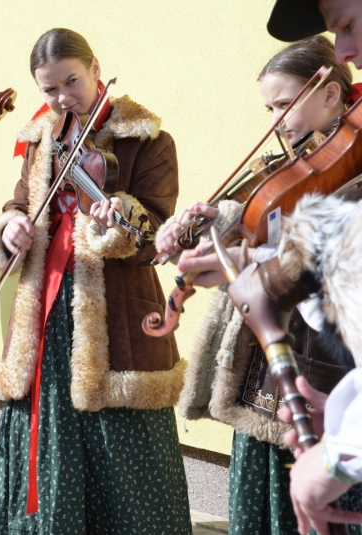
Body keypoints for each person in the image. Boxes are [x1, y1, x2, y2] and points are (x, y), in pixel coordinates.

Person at [0, 28, 190, 534]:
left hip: (117, 308)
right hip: (47, 304)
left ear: (96, 68)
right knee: (48, 426)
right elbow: (20, 202)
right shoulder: (43, 139)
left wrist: (119, 219)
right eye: (49, 90)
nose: (61, 98)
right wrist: (10, 224)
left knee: (122, 433)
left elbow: (156, 229)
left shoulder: (149, 141)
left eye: (71, 82)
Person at [155, 35, 362, 535]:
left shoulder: (348, 164)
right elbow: (254, 222)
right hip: (266, 363)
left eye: (282, 104)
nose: (273, 120)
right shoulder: (285, 163)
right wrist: (210, 223)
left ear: (330, 94)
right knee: (265, 491)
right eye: (268, 107)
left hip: (325, 358)